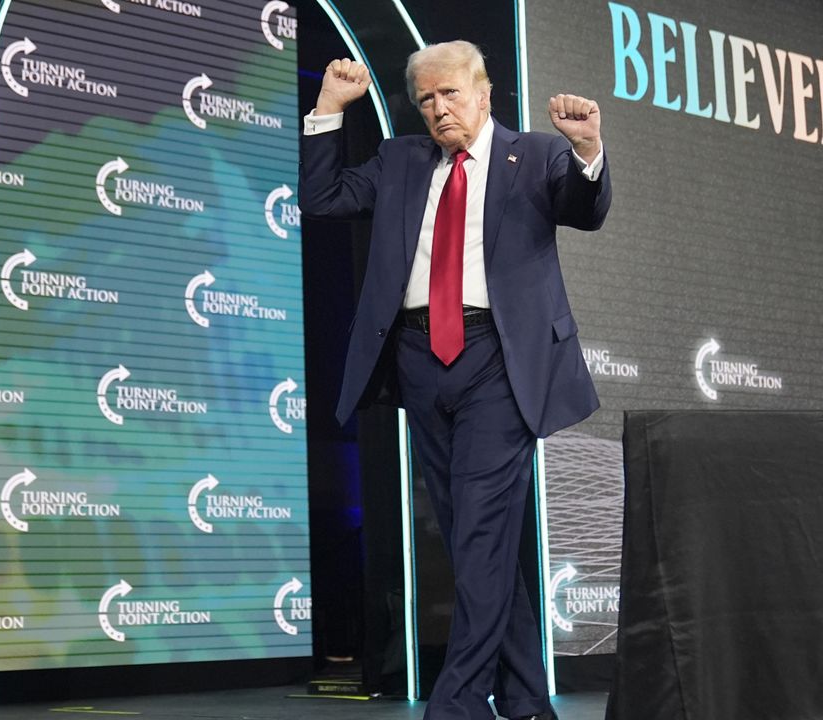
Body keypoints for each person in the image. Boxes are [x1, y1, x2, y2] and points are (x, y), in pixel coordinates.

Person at [300, 40, 611, 720]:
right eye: (427, 99)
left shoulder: (535, 154)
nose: (439, 110)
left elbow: (584, 209)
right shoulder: (401, 161)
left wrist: (587, 149)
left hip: (498, 359)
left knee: (478, 536)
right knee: (480, 537)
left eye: (451, 94)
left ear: (484, 93)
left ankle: (459, 701)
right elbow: (322, 197)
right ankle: (528, 699)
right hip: (418, 359)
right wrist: (327, 108)